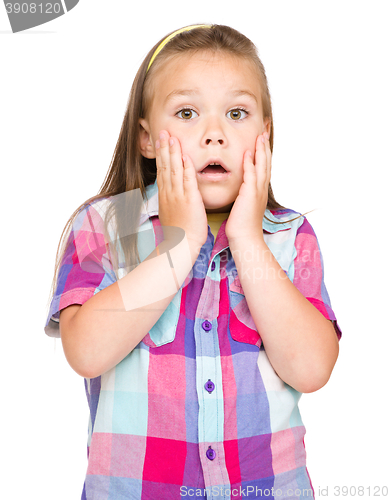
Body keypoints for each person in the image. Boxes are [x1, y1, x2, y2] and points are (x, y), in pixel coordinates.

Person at [45, 23, 342, 500]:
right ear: (146, 139)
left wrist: (247, 238)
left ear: (264, 136)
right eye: (187, 112)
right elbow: (86, 352)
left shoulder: (288, 237)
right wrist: (181, 246)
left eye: (237, 113)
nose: (214, 135)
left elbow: (311, 369)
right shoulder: (108, 224)